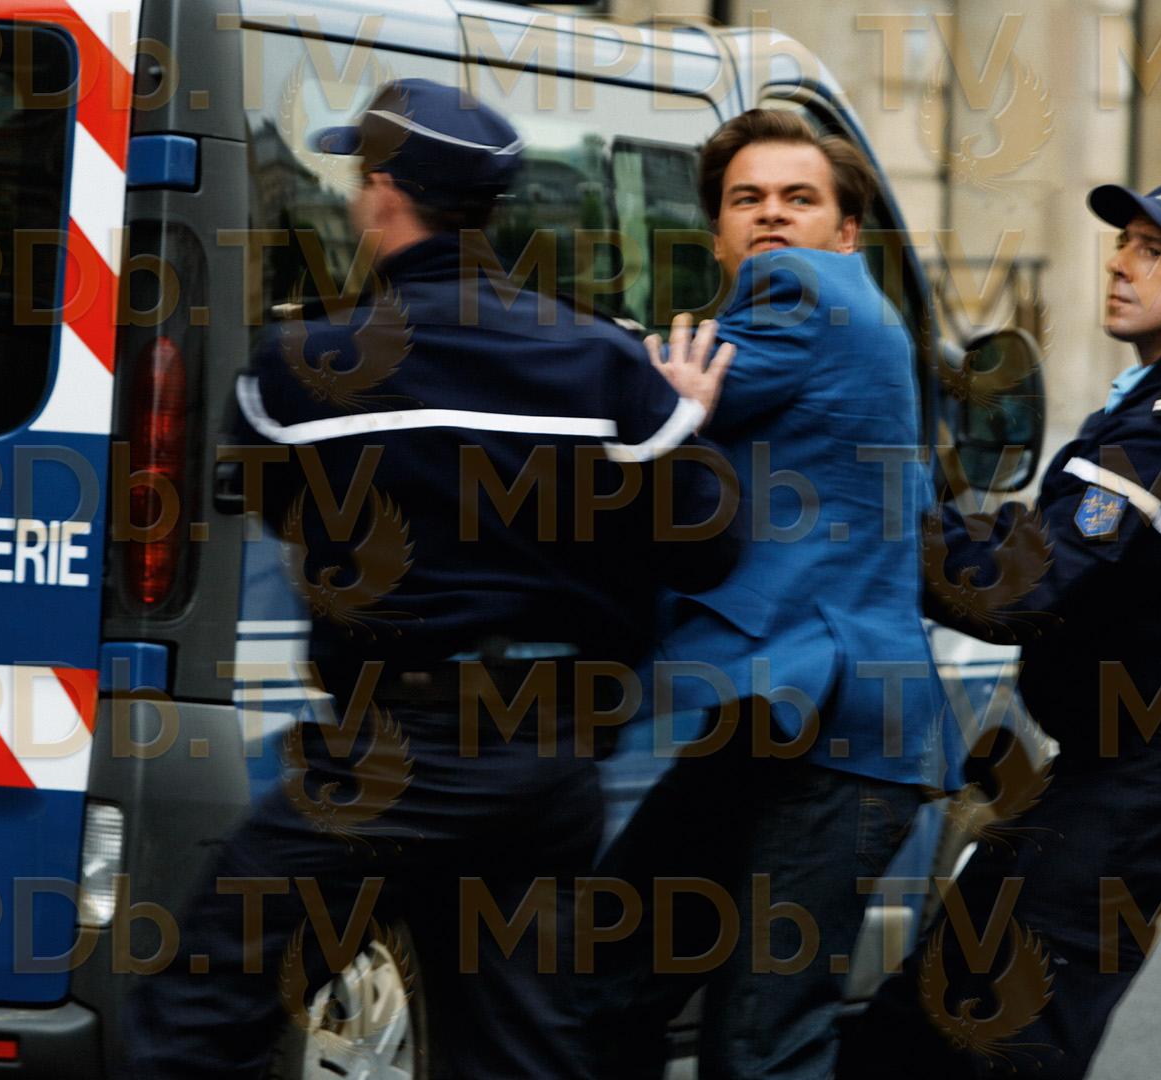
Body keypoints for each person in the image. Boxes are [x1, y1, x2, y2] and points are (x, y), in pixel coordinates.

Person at [126, 79, 738, 1079]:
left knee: (198, 1006)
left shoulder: (304, 367)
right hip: (544, 763)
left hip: (390, 753)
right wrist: (676, 428)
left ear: (383, 193)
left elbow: (281, 509)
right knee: (514, 1052)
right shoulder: (603, 365)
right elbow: (708, 544)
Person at [836, 178, 1161, 1077]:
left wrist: (883, 517)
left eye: (1155, 250)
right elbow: (1039, 545)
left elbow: (1021, 589)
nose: (1121, 264)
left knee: (1017, 1033)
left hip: (1150, 778)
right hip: (1104, 766)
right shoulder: (1152, 402)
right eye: (1124, 243)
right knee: (924, 1013)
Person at [580, 109, 953, 1079]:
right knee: (600, 982)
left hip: (839, 734)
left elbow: (630, 396)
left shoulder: (807, 291)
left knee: (760, 1043)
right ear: (716, 233)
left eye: (799, 198)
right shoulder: (845, 329)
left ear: (845, 233)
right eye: (747, 200)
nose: (773, 216)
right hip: (776, 719)